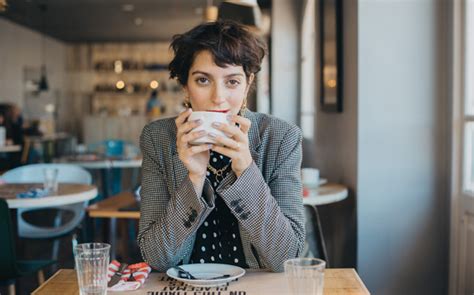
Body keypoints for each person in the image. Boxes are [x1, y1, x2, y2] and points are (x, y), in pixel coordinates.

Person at [138, 20, 305, 272]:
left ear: (248, 83)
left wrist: (246, 170)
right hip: (185, 287)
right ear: (185, 85)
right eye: (203, 80)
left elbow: (287, 258)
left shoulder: (281, 138)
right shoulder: (158, 138)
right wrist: (194, 178)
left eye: (232, 82)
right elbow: (157, 258)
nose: (218, 98)